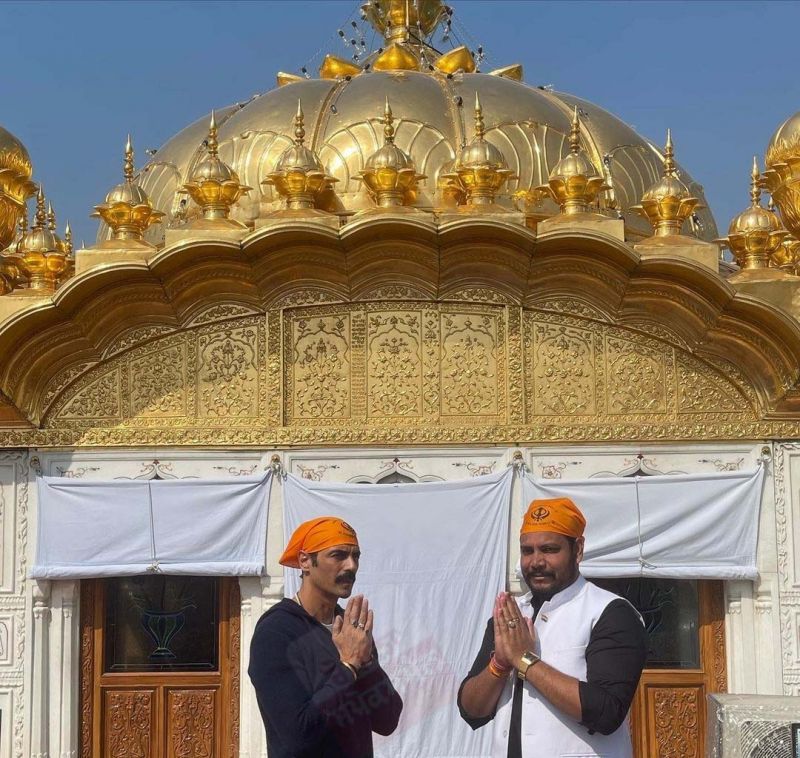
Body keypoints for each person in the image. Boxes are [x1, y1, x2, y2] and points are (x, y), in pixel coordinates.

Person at [457, 497, 647, 757]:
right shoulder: (511, 616)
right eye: (527, 551)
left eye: (549, 549)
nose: (536, 562)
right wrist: (499, 665)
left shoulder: (610, 612)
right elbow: (471, 711)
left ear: (578, 550)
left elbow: (606, 712)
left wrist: (524, 661)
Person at [249, 516, 403, 758]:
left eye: (356, 556)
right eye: (338, 555)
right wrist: (348, 666)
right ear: (305, 561)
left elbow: (387, 720)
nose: (351, 566)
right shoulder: (277, 631)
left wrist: (367, 664)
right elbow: (297, 737)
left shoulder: (351, 629)